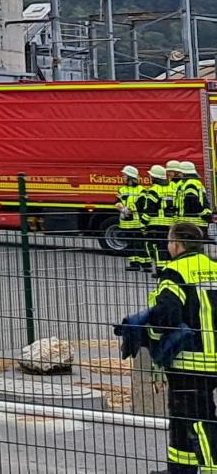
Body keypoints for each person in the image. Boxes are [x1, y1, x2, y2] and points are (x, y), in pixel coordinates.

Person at [146, 222, 217, 472]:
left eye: (169, 241)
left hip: (190, 361)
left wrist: (149, 334)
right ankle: (179, 469)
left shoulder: (175, 272)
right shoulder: (214, 268)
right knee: (181, 419)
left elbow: (166, 315)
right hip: (213, 357)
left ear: (176, 244)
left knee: (197, 420)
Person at [121, 165, 150, 272]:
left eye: (124, 176)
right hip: (126, 223)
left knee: (140, 244)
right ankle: (134, 264)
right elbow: (117, 201)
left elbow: (141, 205)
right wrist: (119, 206)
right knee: (129, 244)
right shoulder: (122, 189)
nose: (122, 178)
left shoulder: (141, 190)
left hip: (137, 222)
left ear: (130, 177)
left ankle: (146, 264)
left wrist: (128, 209)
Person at [146, 165, 174, 273]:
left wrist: (144, 223)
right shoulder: (172, 188)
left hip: (156, 223)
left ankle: (160, 270)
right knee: (168, 247)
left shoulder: (154, 190)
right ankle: (169, 269)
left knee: (158, 247)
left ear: (154, 177)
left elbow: (149, 209)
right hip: (170, 224)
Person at [175, 161, 210, 235]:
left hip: (192, 223)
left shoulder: (190, 183)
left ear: (184, 173)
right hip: (194, 223)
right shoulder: (193, 182)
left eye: (180, 172)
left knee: (190, 245)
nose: (179, 174)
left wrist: (203, 215)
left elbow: (192, 201)